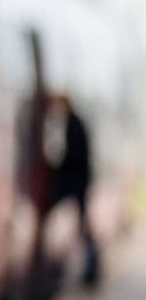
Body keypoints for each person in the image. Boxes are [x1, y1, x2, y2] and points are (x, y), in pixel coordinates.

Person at [46, 92, 100, 286]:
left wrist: (56, 171)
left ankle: (91, 267)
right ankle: (90, 267)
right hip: (80, 181)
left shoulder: (73, 125)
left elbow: (71, 157)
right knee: (83, 224)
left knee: (81, 224)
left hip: (76, 182)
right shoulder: (75, 123)